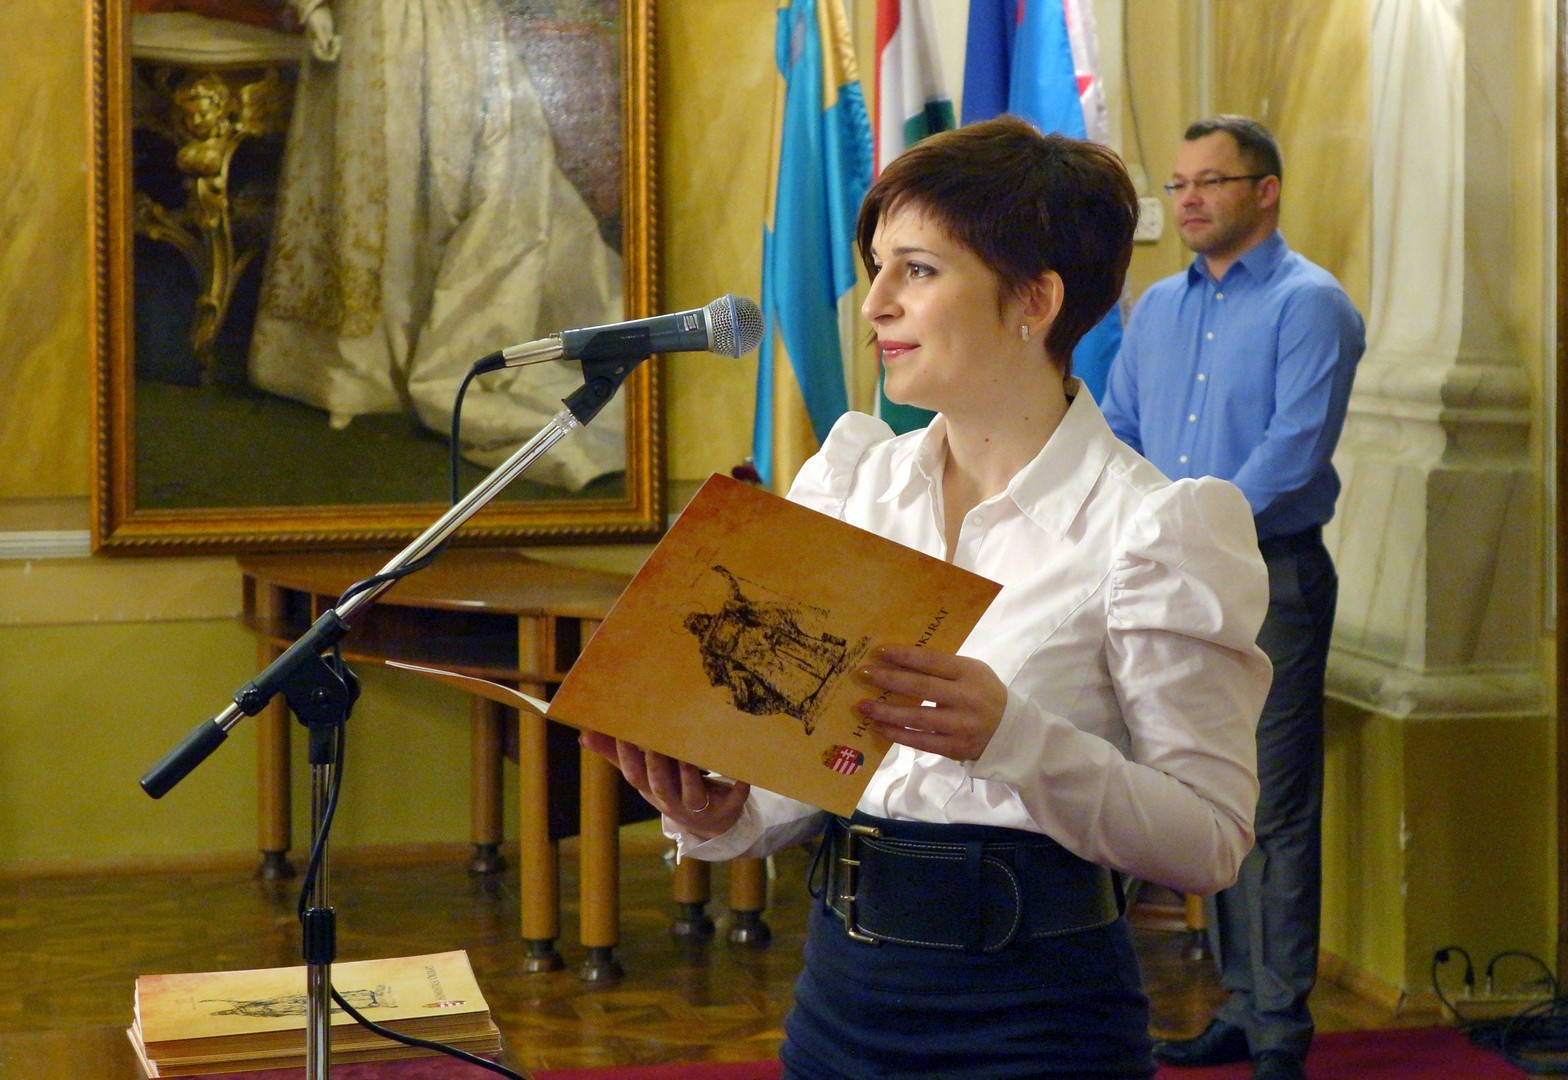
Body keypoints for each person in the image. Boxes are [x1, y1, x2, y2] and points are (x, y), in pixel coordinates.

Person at [581, 115, 1274, 1079]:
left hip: (1036, 1017)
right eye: (877, 268)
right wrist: (720, 808)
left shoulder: (1156, 527)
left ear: (1034, 299)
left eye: (917, 270)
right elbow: (815, 769)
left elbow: (1209, 842)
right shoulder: (852, 486)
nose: (874, 305)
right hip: (841, 999)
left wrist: (1016, 738)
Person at [1100, 116, 1365, 1080]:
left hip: (1269, 576)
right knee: (1204, 793)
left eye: (1211, 181)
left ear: (1267, 190)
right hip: (1167, 578)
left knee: (1276, 808)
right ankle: (1239, 1007)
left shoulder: (1311, 304)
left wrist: (1191, 538)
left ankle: (1279, 1028)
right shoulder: (1156, 309)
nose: (1189, 200)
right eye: (1177, 185)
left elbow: (1292, 454)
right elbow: (1122, 431)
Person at [246, 0, 626, 491]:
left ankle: (447, 350)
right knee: (378, 183)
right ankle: (362, 375)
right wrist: (313, 8)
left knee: (472, 179)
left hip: (460, 24)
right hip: (371, 27)